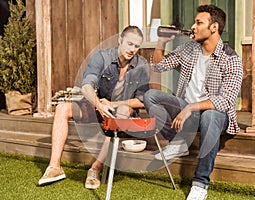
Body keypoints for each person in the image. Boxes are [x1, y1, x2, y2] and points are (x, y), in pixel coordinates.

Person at [143, 4, 243, 200]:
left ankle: (200, 184)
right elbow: (158, 65)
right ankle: (178, 142)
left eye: (199, 22)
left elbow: (226, 100)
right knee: (150, 96)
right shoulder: (190, 48)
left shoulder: (231, 59)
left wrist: (191, 107)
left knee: (211, 115)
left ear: (213, 27)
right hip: (186, 113)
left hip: (212, 116)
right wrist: (162, 41)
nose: (193, 26)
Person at [38, 25, 150, 190]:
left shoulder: (141, 65)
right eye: (129, 43)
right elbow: (86, 86)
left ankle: (95, 169)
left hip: (123, 111)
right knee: (62, 108)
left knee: (121, 112)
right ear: (120, 40)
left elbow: (141, 100)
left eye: (137, 46)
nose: (132, 49)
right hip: (97, 105)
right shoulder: (102, 57)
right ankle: (55, 167)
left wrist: (113, 104)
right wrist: (98, 104)